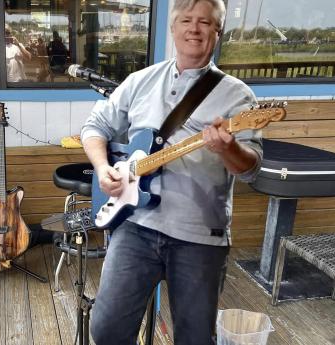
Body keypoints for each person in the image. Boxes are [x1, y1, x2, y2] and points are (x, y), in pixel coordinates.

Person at [81, 1, 262, 344]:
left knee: (194, 338)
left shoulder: (239, 96)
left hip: (200, 236)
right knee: (106, 329)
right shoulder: (141, 81)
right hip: (135, 227)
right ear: (174, 28)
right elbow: (95, 126)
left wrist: (228, 148)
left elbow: (251, 168)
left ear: (217, 32)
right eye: (187, 20)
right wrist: (104, 168)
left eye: (205, 23)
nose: (194, 29)